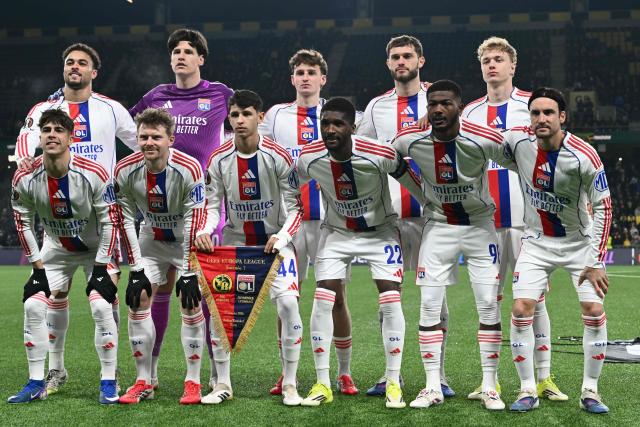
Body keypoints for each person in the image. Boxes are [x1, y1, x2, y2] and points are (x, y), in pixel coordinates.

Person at [14, 43, 137, 395]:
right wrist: (25, 160)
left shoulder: (111, 109)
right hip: (58, 225)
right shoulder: (46, 109)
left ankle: (112, 373)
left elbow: (138, 143)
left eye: (83, 63)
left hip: (101, 222)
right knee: (53, 297)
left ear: (93, 72)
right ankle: (55, 370)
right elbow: (26, 140)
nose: (75, 67)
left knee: (105, 304)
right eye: (70, 62)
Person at [297, 97, 426, 409]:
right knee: (324, 295)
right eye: (325, 123)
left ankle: (393, 382)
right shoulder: (309, 157)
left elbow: (415, 184)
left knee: (390, 296)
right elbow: (288, 186)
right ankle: (323, 382)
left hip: (380, 232)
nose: (330, 129)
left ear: (352, 128)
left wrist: (435, 211)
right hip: (336, 233)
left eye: (337, 123)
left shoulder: (379, 154)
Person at [462, 37, 566, 401]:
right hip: (484, 223)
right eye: (486, 60)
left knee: (535, 301)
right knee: (487, 301)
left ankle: (544, 379)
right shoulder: (469, 114)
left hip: (527, 222)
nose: (492, 65)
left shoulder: (531, 108)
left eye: (498, 60)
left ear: (512, 66)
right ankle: (489, 381)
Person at [392, 80, 507, 410]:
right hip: (439, 227)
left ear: (459, 106)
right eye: (433, 104)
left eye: (446, 103)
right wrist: (419, 193)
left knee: (487, 303)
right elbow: (390, 158)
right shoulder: (410, 138)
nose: (439, 109)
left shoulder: (483, 138)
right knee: (429, 305)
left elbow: (521, 160)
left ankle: (489, 385)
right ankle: (432, 386)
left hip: (479, 226)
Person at [130, 28, 233, 391]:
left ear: (201, 59)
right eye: (176, 50)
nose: (181, 55)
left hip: (204, 203)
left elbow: (247, 126)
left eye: (189, 50)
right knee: (158, 288)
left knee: (202, 289)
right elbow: (133, 132)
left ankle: (216, 377)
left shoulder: (220, 94)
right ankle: (151, 374)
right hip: (162, 202)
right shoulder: (156, 96)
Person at [356, 34, 454, 398]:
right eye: (395, 56)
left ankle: (439, 375)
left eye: (407, 56)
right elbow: (363, 153)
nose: (401, 61)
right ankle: (389, 374)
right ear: (388, 64)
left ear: (420, 61)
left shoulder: (440, 101)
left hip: (434, 215)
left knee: (436, 297)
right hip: (389, 217)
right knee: (388, 296)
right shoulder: (377, 107)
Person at [502, 88, 612, 413]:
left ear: (562, 116)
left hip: (579, 243)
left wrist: (595, 261)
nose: (541, 119)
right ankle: (527, 390)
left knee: (593, 310)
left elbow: (604, 207)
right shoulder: (519, 144)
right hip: (536, 242)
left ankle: (590, 391)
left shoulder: (584, 155)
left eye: (548, 113)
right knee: (522, 308)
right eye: (535, 113)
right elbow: (482, 144)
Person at [194, 90, 305, 406]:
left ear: (260, 116)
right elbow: (212, 206)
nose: (240, 120)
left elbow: (295, 209)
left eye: (246, 114)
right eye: (234, 115)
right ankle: (222, 385)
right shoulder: (218, 158)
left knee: (288, 307)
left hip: (274, 244)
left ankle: (291, 385)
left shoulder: (278, 157)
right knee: (220, 315)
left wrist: (283, 237)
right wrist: (204, 230)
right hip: (235, 246)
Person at [258, 49, 357, 396]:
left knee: (336, 294)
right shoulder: (275, 116)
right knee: (286, 297)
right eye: (299, 71)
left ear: (322, 78)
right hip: (289, 222)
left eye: (311, 72)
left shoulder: (338, 114)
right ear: (292, 79)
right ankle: (288, 374)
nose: (305, 77)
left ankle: (343, 373)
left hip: (332, 220)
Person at [9, 109, 120, 404]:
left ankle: (109, 380)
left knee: (100, 308)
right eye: (46, 130)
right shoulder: (25, 176)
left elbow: (110, 222)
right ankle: (36, 381)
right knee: (33, 305)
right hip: (56, 250)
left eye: (59, 130)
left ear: (71, 137)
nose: (52, 134)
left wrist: (100, 268)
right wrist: (37, 268)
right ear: (40, 136)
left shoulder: (94, 173)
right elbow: (23, 222)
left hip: (96, 249)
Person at [114, 108, 206, 405]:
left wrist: (190, 270)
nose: (149, 142)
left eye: (156, 136)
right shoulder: (125, 170)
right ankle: (144, 380)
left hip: (184, 238)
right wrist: (136, 267)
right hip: (151, 237)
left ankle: (193, 380)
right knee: (137, 296)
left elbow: (194, 218)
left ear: (171, 140)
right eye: (143, 136)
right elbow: (125, 219)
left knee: (191, 302)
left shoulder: (189, 168)